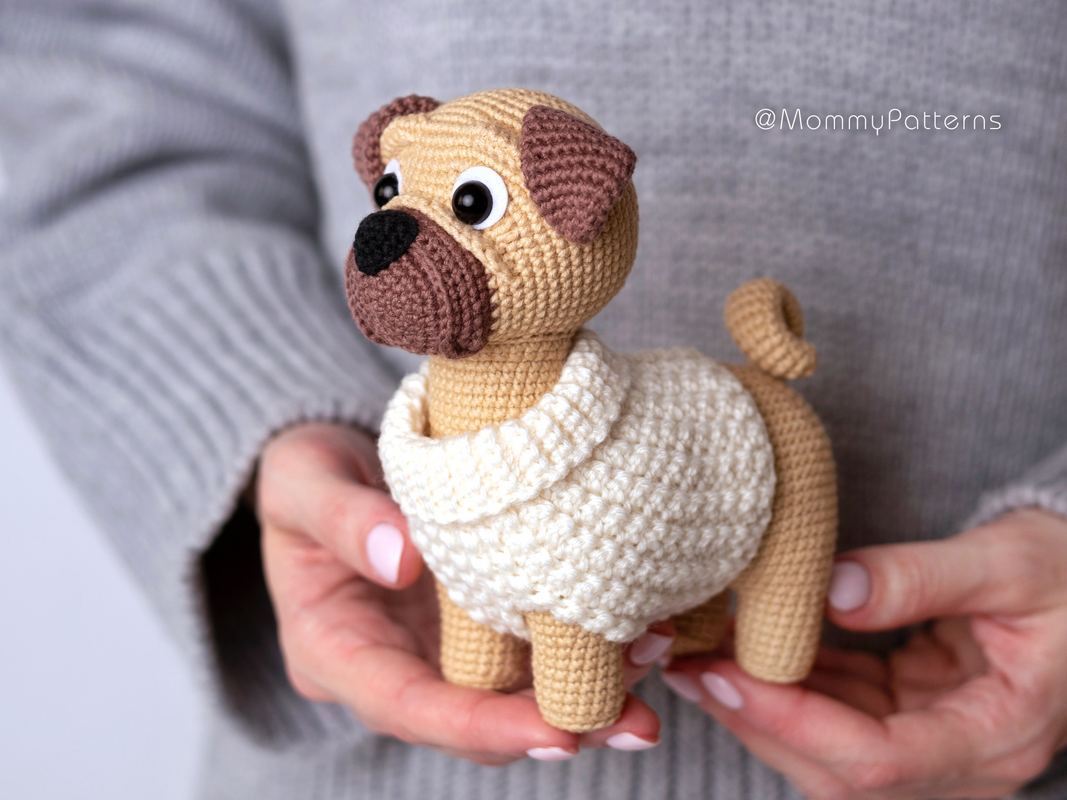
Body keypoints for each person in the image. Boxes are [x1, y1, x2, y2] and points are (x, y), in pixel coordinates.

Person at [1, 1, 1065, 798]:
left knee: (705, 616)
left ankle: (706, 639)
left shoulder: (675, 448)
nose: (393, 226)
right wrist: (252, 399)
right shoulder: (424, 447)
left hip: (989, 723)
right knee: (479, 587)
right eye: (392, 192)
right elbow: (91, 89)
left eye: (466, 204)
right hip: (369, 770)